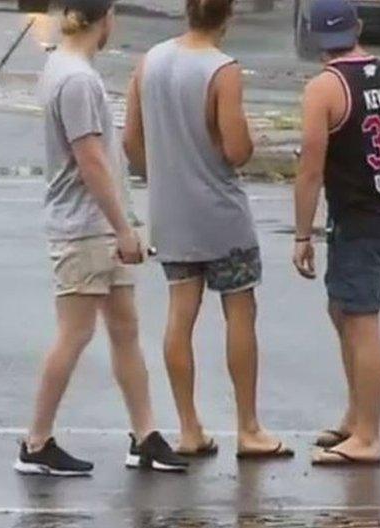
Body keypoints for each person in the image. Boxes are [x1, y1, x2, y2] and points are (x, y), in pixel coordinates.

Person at [15, 0, 188, 477]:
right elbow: (90, 159)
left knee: (125, 328)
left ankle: (145, 435)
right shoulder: (77, 79)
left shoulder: (66, 68)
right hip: (85, 225)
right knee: (76, 333)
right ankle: (36, 442)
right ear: (104, 19)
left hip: (96, 223)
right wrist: (123, 228)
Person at [123, 0, 292, 459]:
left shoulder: (150, 61)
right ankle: (249, 427)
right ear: (228, 16)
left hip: (170, 211)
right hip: (220, 213)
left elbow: (130, 141)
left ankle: (189, 426)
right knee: (240, 311)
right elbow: (236, 149)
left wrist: (161, 171)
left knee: (181, 314)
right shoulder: (223, 69)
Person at [293, 0, 380, 466]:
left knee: (361, 321)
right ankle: (355, 415)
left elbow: (310, 168)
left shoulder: (325, 87)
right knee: (341, 308)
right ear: (358, 27)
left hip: (361, 218)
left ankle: (367, 435)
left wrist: (303, 235)